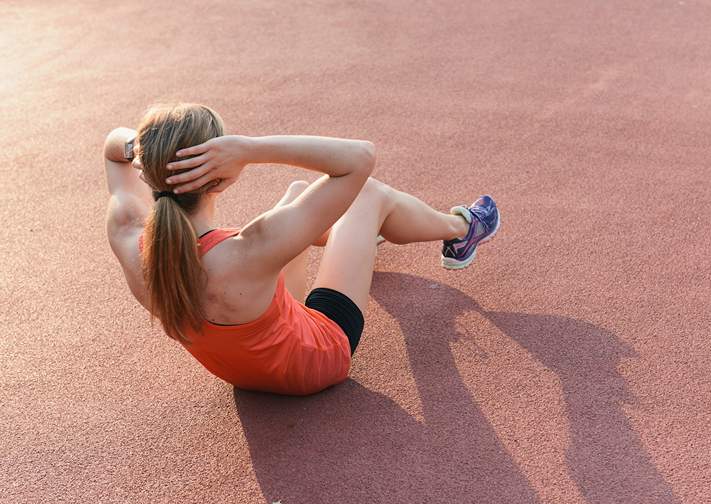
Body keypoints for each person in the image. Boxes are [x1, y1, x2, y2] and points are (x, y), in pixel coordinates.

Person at [103, 103, 500, 395]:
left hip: (243, 370)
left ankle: (355, 236)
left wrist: (141, 146)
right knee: (368, 194)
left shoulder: (129, 234)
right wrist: (249, 149)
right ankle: (462, 229)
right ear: (221, 180)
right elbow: (360, 158)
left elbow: (111, 145)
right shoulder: (252, 247)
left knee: (298, 196)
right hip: (316, 359)